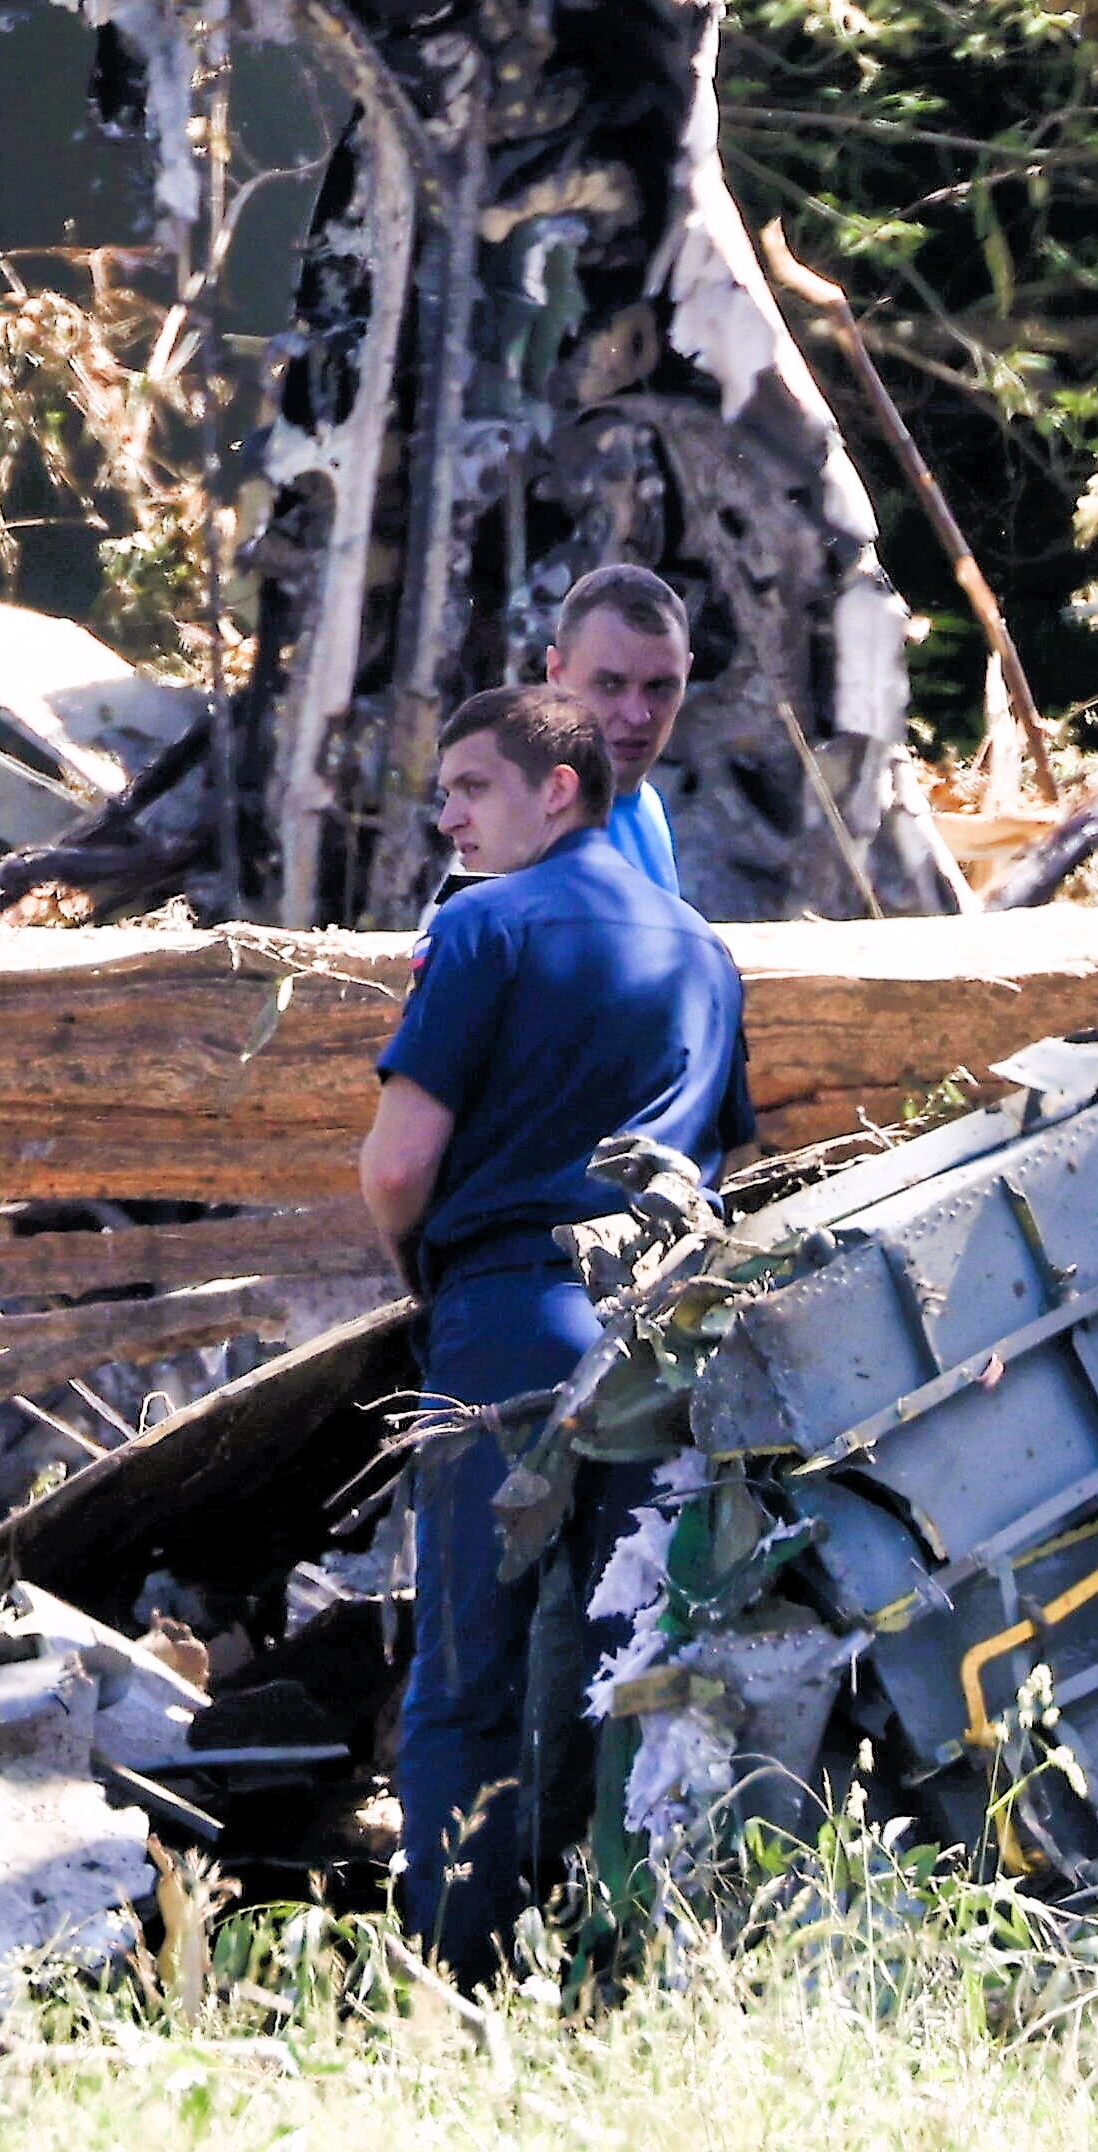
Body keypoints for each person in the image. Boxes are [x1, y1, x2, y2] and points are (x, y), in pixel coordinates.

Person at [353, 686, 750, 1986]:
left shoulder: (480, 929)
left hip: (511, 1322)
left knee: (469, 1676)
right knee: (628, 1669)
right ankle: (613, 1976)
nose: (447, 815)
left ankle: (458, 1993)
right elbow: (720, 1172)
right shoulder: (702, 952)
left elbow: (396, 1166)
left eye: (471, 787)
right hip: (662, 1345)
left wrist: (428, 1283)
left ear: (557, 789)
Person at [546, 562, 698, 902]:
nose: (637, 714)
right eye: (610, 684)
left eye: (660, 687)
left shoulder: (649, 808)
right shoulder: (523, 825)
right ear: (556, 673)